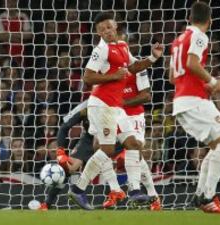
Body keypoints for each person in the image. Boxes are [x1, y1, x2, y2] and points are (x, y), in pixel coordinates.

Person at [68, 12, 163, 209]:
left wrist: (153, 57)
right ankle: (78, 189)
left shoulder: (122, 46)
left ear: (116, 27)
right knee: (108, 149)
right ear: (98, 33)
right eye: (102, 30)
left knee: (133, 143)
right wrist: (113, 76)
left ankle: (135, 192)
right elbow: (88, 77)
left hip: (116, 106)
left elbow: (134, 67)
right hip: (101, 104)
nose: (107, 32)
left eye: (109, 28)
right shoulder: (100, 50)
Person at [169, 2, 220, 213]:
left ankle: (200, 195)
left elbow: (173, 77)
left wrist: (202, 84)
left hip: (181, 101)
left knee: (217, 146)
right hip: (193, 100)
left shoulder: (178, 40)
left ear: (189, 17)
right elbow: (192, 64)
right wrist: (214, 83)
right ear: (210, 20)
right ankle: (207, 196)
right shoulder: (199, 36)